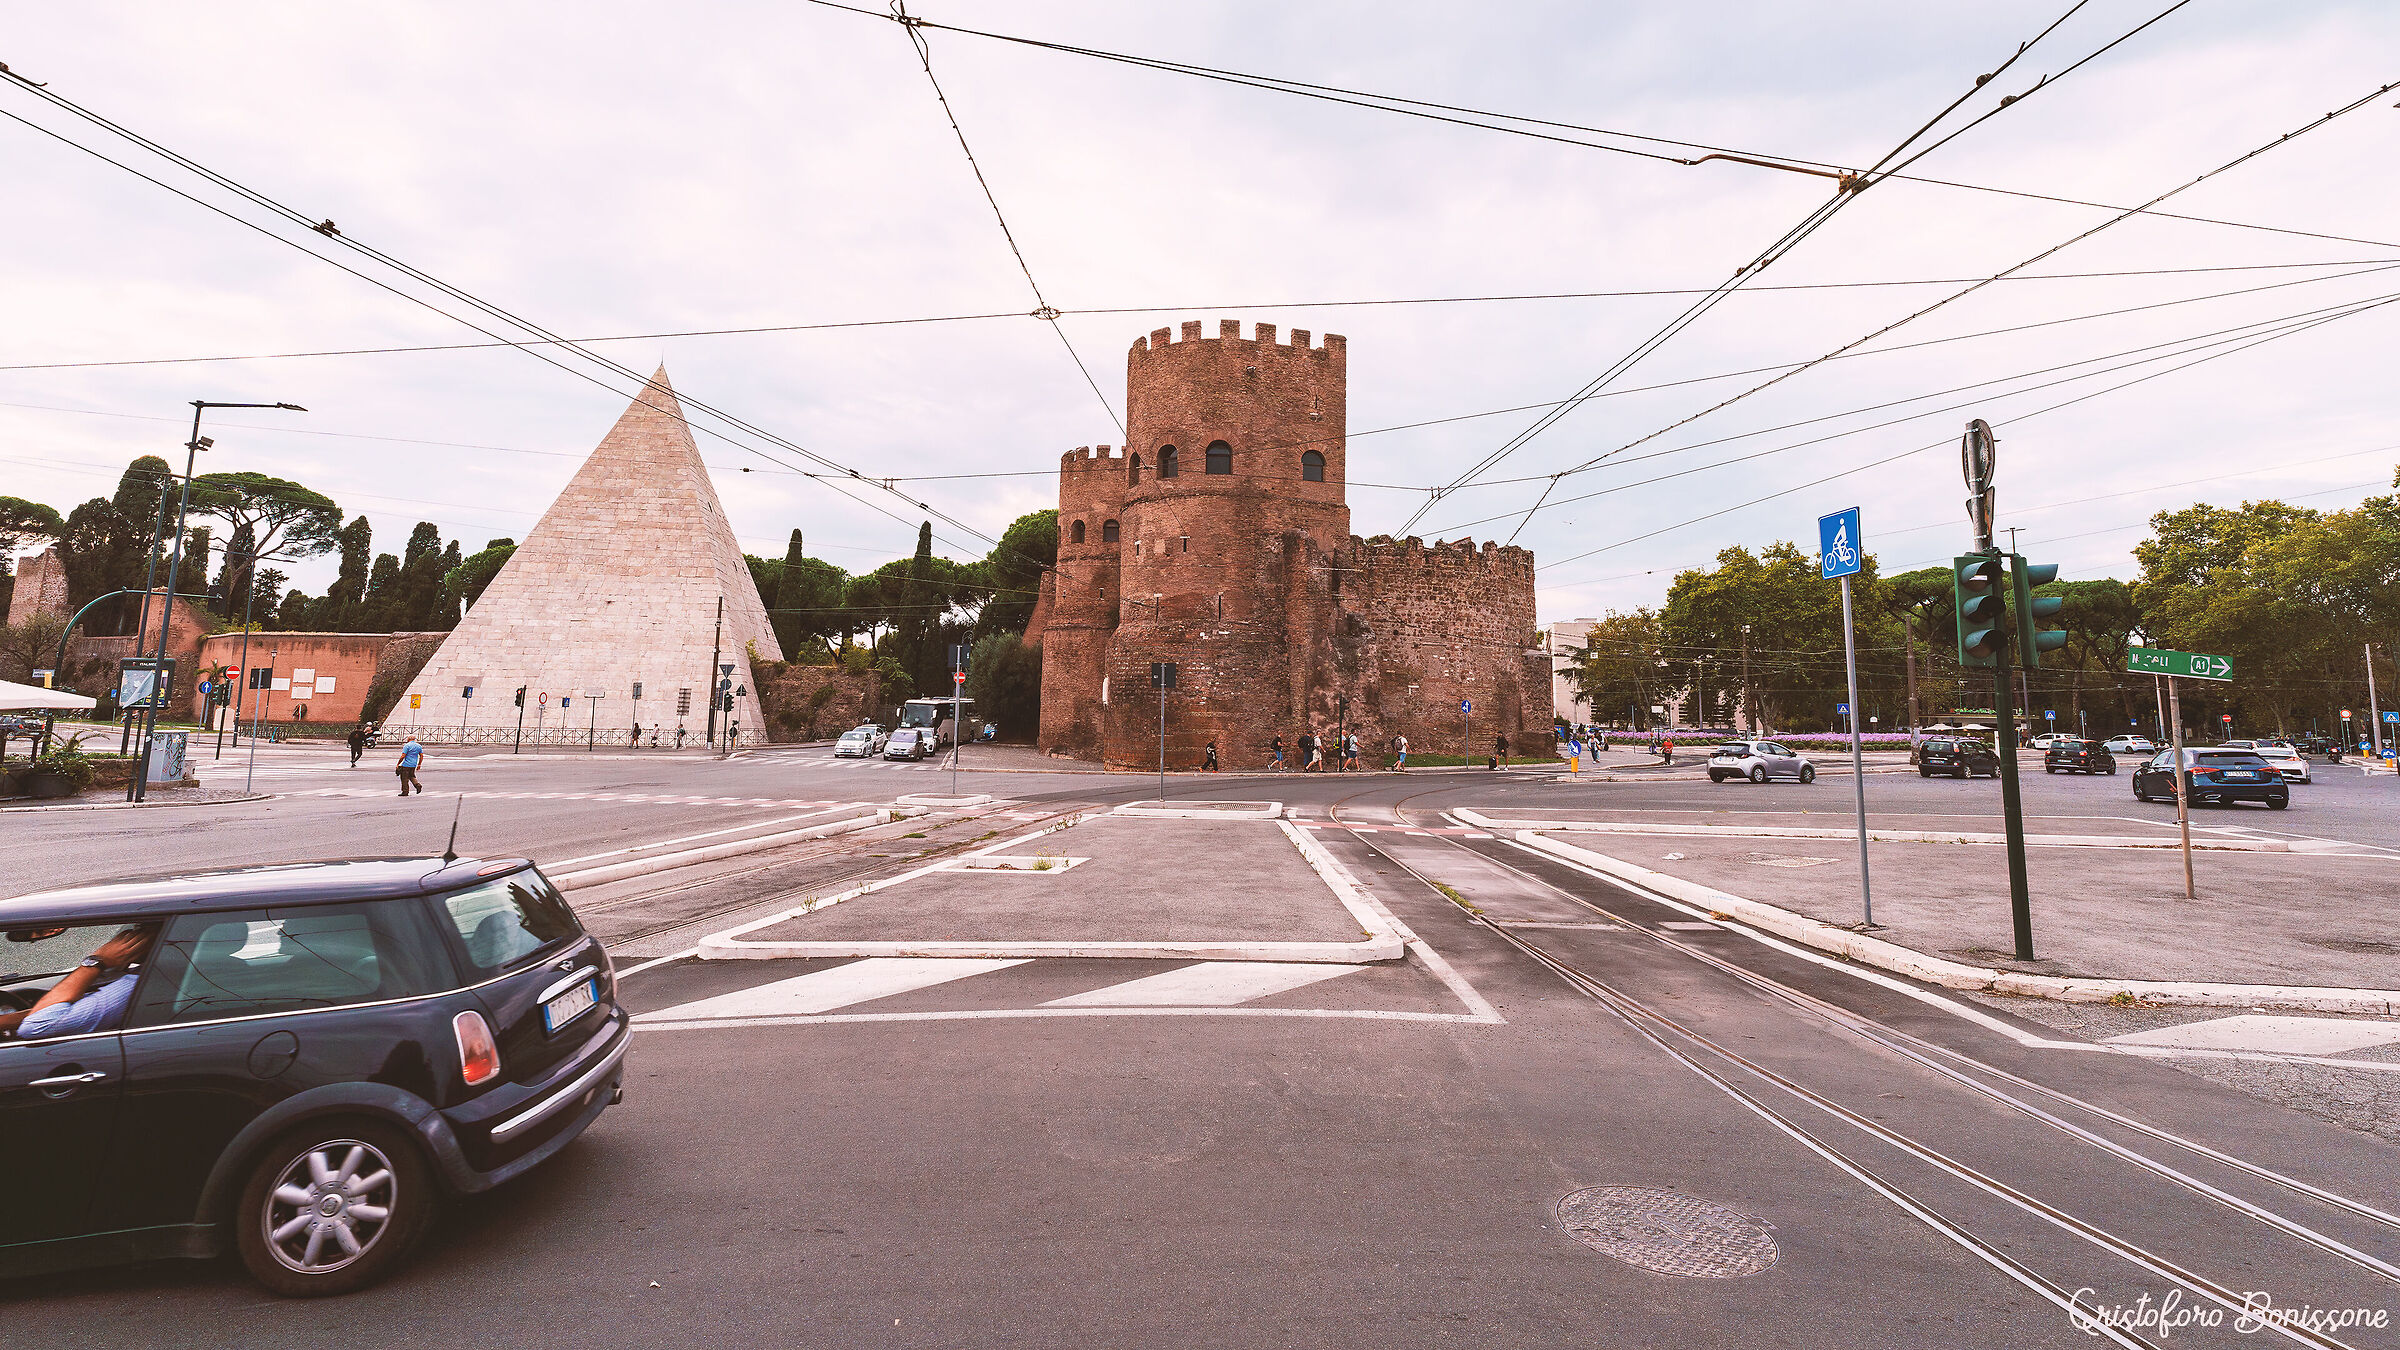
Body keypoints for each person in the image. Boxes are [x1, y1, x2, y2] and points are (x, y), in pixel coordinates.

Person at [0, 926, 154, 1039]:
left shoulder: (136, 985)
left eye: (139, 930)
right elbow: (46, 1015)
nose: (127, 933)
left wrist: (98, 961)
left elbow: (34, 1026)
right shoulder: (143, 975)